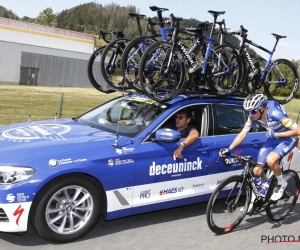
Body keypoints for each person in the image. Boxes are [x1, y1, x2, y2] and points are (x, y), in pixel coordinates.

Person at [219, 94, 300, 213]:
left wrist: (276, 135)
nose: (250, 115)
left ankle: (281, 183)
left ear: (262, 108)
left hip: (288, 138)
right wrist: (229, 149)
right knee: (257, 171)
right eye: (247, 112)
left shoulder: (274, 114)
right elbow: (243, 133)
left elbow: (297, 131)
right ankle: (253, 200)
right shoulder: (253, 115)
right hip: (273, 138)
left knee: (271, 160)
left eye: (252, 111)